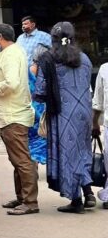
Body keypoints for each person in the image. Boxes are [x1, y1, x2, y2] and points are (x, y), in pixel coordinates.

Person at [33, 21, 94, 213]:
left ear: (53, 39)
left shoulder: (48, 58)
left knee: (67, 154)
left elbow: (41, 90)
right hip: (84, 112)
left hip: (62, 113)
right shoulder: (84, 58)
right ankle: (89, 191)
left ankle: (76, 201)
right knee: (81, 151)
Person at [0, 23, 38, 215]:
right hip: (12, 114)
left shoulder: (11, 53)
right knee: (18, 159)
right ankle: (22, 198)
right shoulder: (12, 52)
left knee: (23, 160)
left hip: (13, 115)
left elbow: (11, 84)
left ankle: (30, 202)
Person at [27, 45, 48, 167]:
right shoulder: (42, 71)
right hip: (37, 110)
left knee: (35, 140)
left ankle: (33, 166)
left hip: (34, 110)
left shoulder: (30, 70)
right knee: (41, 138)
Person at [92, 60, 108, 208]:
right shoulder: (103, 69)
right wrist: (95, 122)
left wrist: (95, 122)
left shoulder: (104, 69)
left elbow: (98, 102)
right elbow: (98, 101)